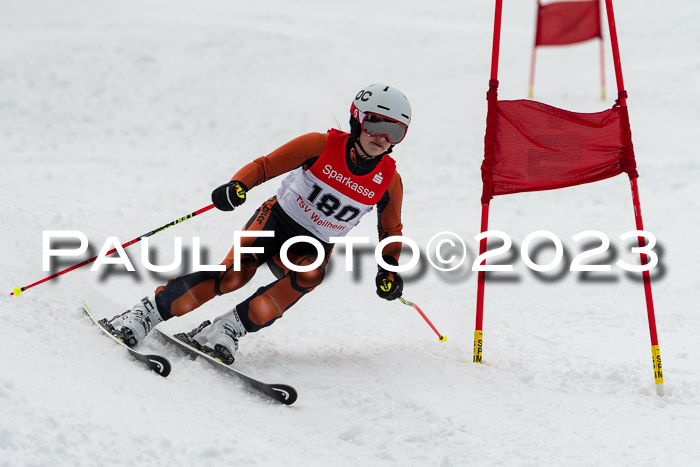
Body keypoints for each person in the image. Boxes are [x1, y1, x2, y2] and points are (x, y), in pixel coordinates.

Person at [104, 83, 411, 364]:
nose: (382, 138)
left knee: (310, 275)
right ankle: (145, 313)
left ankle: (227, 328)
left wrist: (389, 270)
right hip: (277, 220)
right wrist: (237, 185)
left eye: (395, 132)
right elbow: (265, 166)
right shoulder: (320, 145)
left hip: (313, 244)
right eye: (375, 125)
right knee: (234, 275)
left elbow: (390, 230)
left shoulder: (388, 181)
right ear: (357, 120)